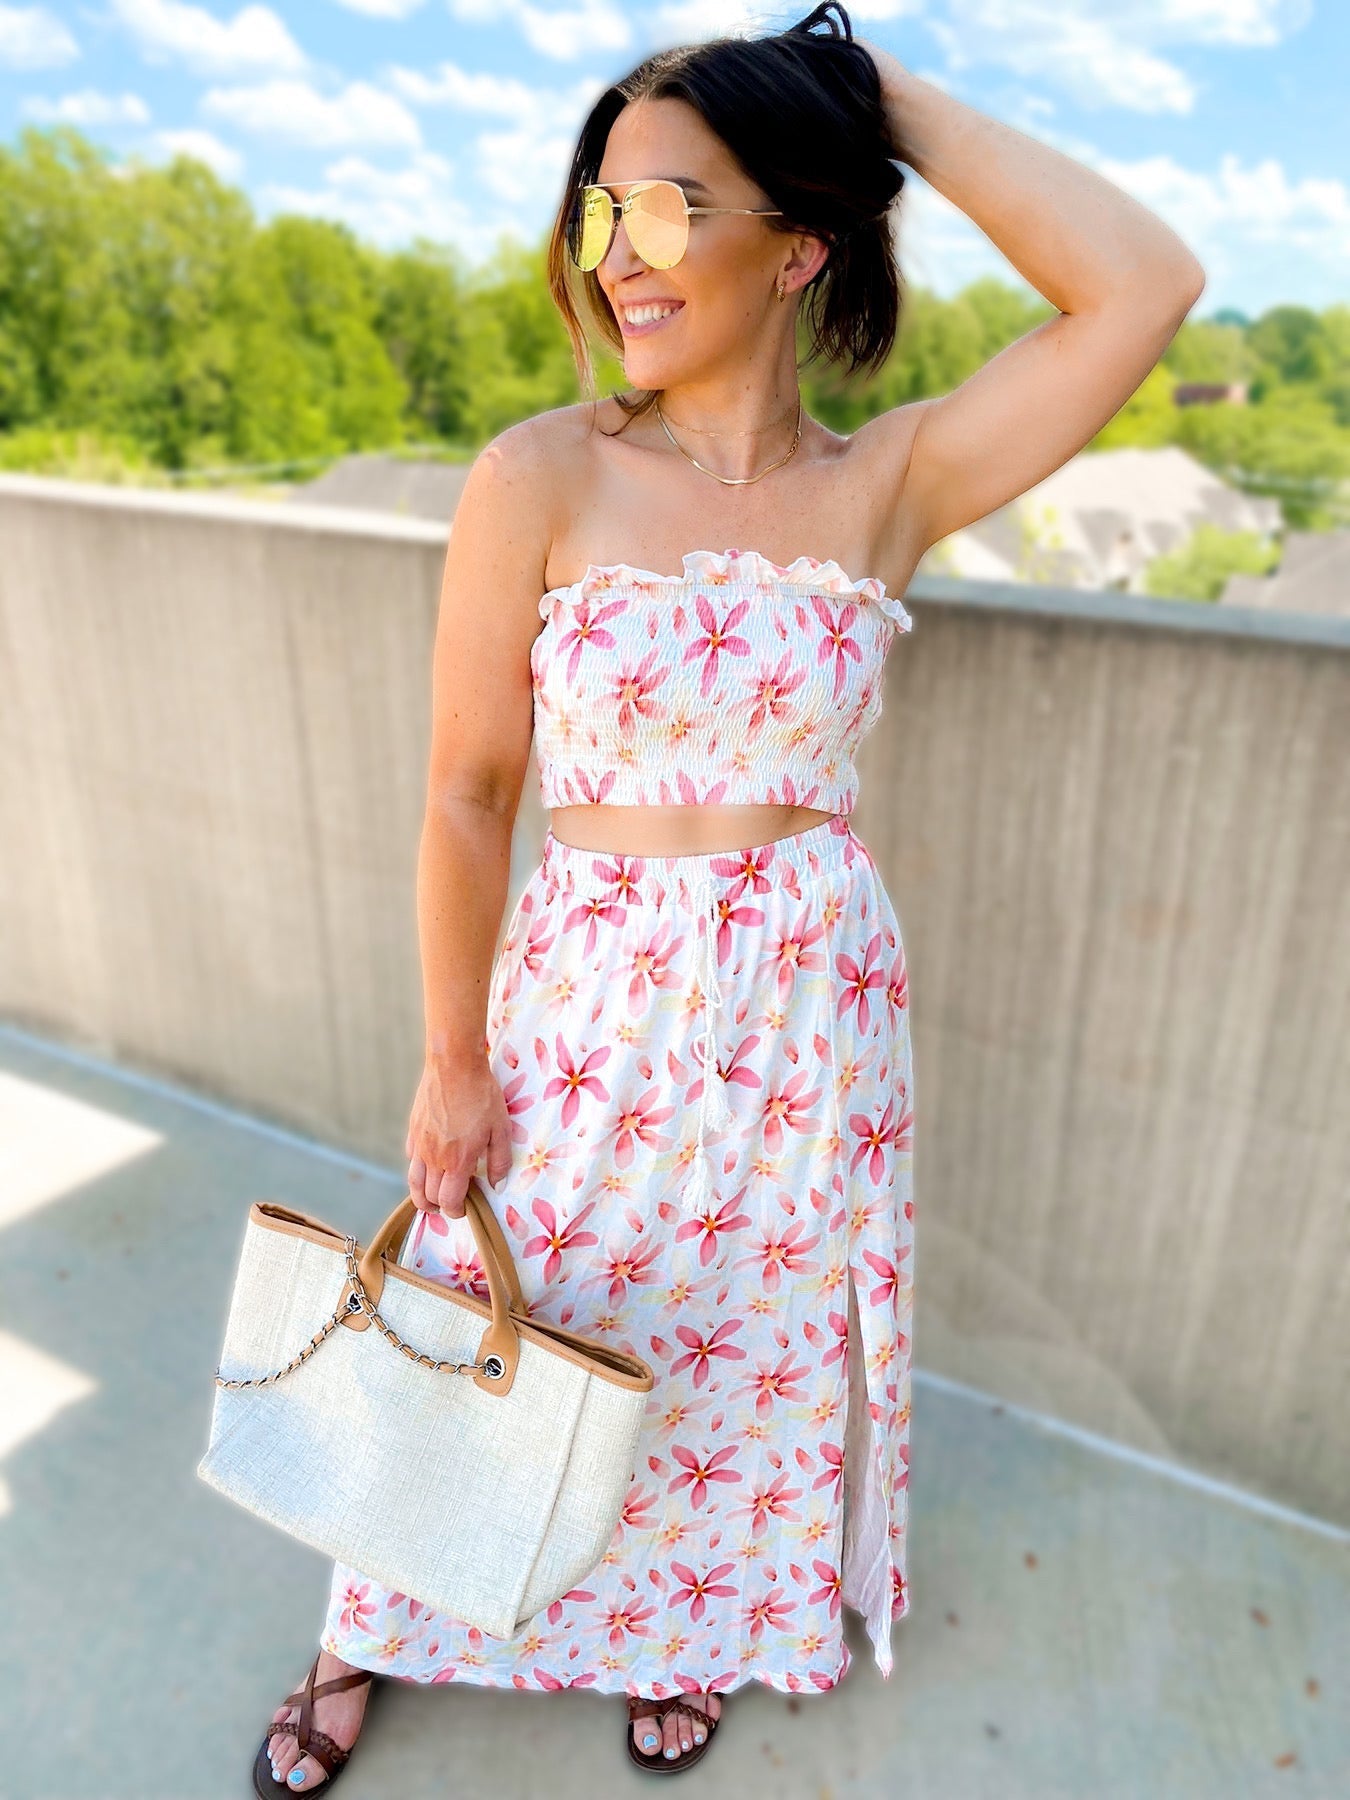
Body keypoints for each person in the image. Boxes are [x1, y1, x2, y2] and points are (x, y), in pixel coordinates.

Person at [254, 2, 1204, 1788]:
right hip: (582, 1008)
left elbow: (1144, 287)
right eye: (600, 211)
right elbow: (468, 793)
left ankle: (686, 1625)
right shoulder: (539, 474)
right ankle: (368, 1628)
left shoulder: (887, 483)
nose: (619, 253)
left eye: (669, 207)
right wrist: (450, 1057)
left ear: (798, 244)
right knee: (505, 1302)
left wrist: (871, 91)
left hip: (806, 1022)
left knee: (743, 1350)